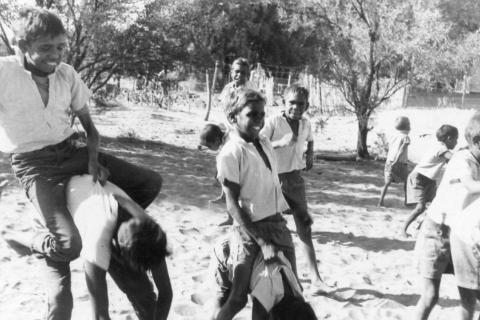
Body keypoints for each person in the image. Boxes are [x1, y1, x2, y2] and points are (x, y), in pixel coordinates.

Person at [0, 8, 162, 320]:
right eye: (46, 48)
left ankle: (113, 232)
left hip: (72, 151)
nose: (55, 55)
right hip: (35, 165)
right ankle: (33, 241)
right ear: (22, 45)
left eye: (60, 46)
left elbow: (90, 127)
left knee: (150, 182)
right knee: (68, 245)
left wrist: (91, 159)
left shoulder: (67, 74)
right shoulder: (4, 73)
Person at [214, 88, 297, 320]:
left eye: (262, 114)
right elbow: (232, 205)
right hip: (249, 233)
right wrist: (261, 241)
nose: (259, 120)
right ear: (234, 117)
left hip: (278, 227)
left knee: (288, 292)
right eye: (252, 114)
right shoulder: (232, 152)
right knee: (239, 298)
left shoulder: (264, 143)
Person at [66, 175, 172, 320]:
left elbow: (166, 293)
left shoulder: (148, 228)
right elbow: (100, 315)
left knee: (144, 297)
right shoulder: (97, 240)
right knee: (135, 285)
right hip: (68, 194)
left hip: (97, 191)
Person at [260, 84, 328, 293]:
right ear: (283, 102)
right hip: (271, 181)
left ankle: (316, 278)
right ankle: (283, 278)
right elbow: (257, 146)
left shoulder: (306, 124)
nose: (296, 107)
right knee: (270, 230)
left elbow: (310, 140)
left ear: (307, 105)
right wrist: (280, 142)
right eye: (292, 102)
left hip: (295, 180)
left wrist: (310, 153)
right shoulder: (273, 122)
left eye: (301, 103)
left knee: (304, 228)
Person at [413, 113, 480, 320]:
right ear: (478, 141)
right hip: (437, 231)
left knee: (469, 298)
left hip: (463, 235)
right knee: (430, 296)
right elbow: (470, 186)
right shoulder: (463, 158)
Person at [209, 237, 317, 320]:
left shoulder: (297, 297)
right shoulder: (266, 295)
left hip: (254, 252)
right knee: (226, 301)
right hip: (229, 252)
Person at [403, 125, 458, 237]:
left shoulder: (440, 148)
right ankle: (403, 229)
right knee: (420, 208)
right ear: (448, 138)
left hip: (430, 180)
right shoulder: (441, 148)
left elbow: (451, 164)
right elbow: (454, 159)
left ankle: (419, 227)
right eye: (455, 139)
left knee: (433, 207)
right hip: (419, 177)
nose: (456, 143)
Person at [199, 123, 233, 226]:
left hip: (236, 171)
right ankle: (224, 197)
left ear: (217, 140)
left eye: (209, 146)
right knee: (228, 192)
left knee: (232, 195)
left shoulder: (231, 141)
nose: (209, 149)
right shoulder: (225, 139)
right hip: (230, 169)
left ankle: (231, 219)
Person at [378, 116, 411, 207]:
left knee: (387, 183)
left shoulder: (393, 135)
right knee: (406, 182)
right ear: (407, 126)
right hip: (400, 163)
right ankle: (407, 201)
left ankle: (380, 202)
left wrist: (392, 160)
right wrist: (397, 160)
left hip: (389, 161)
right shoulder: (406, 137)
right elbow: (401, 150)